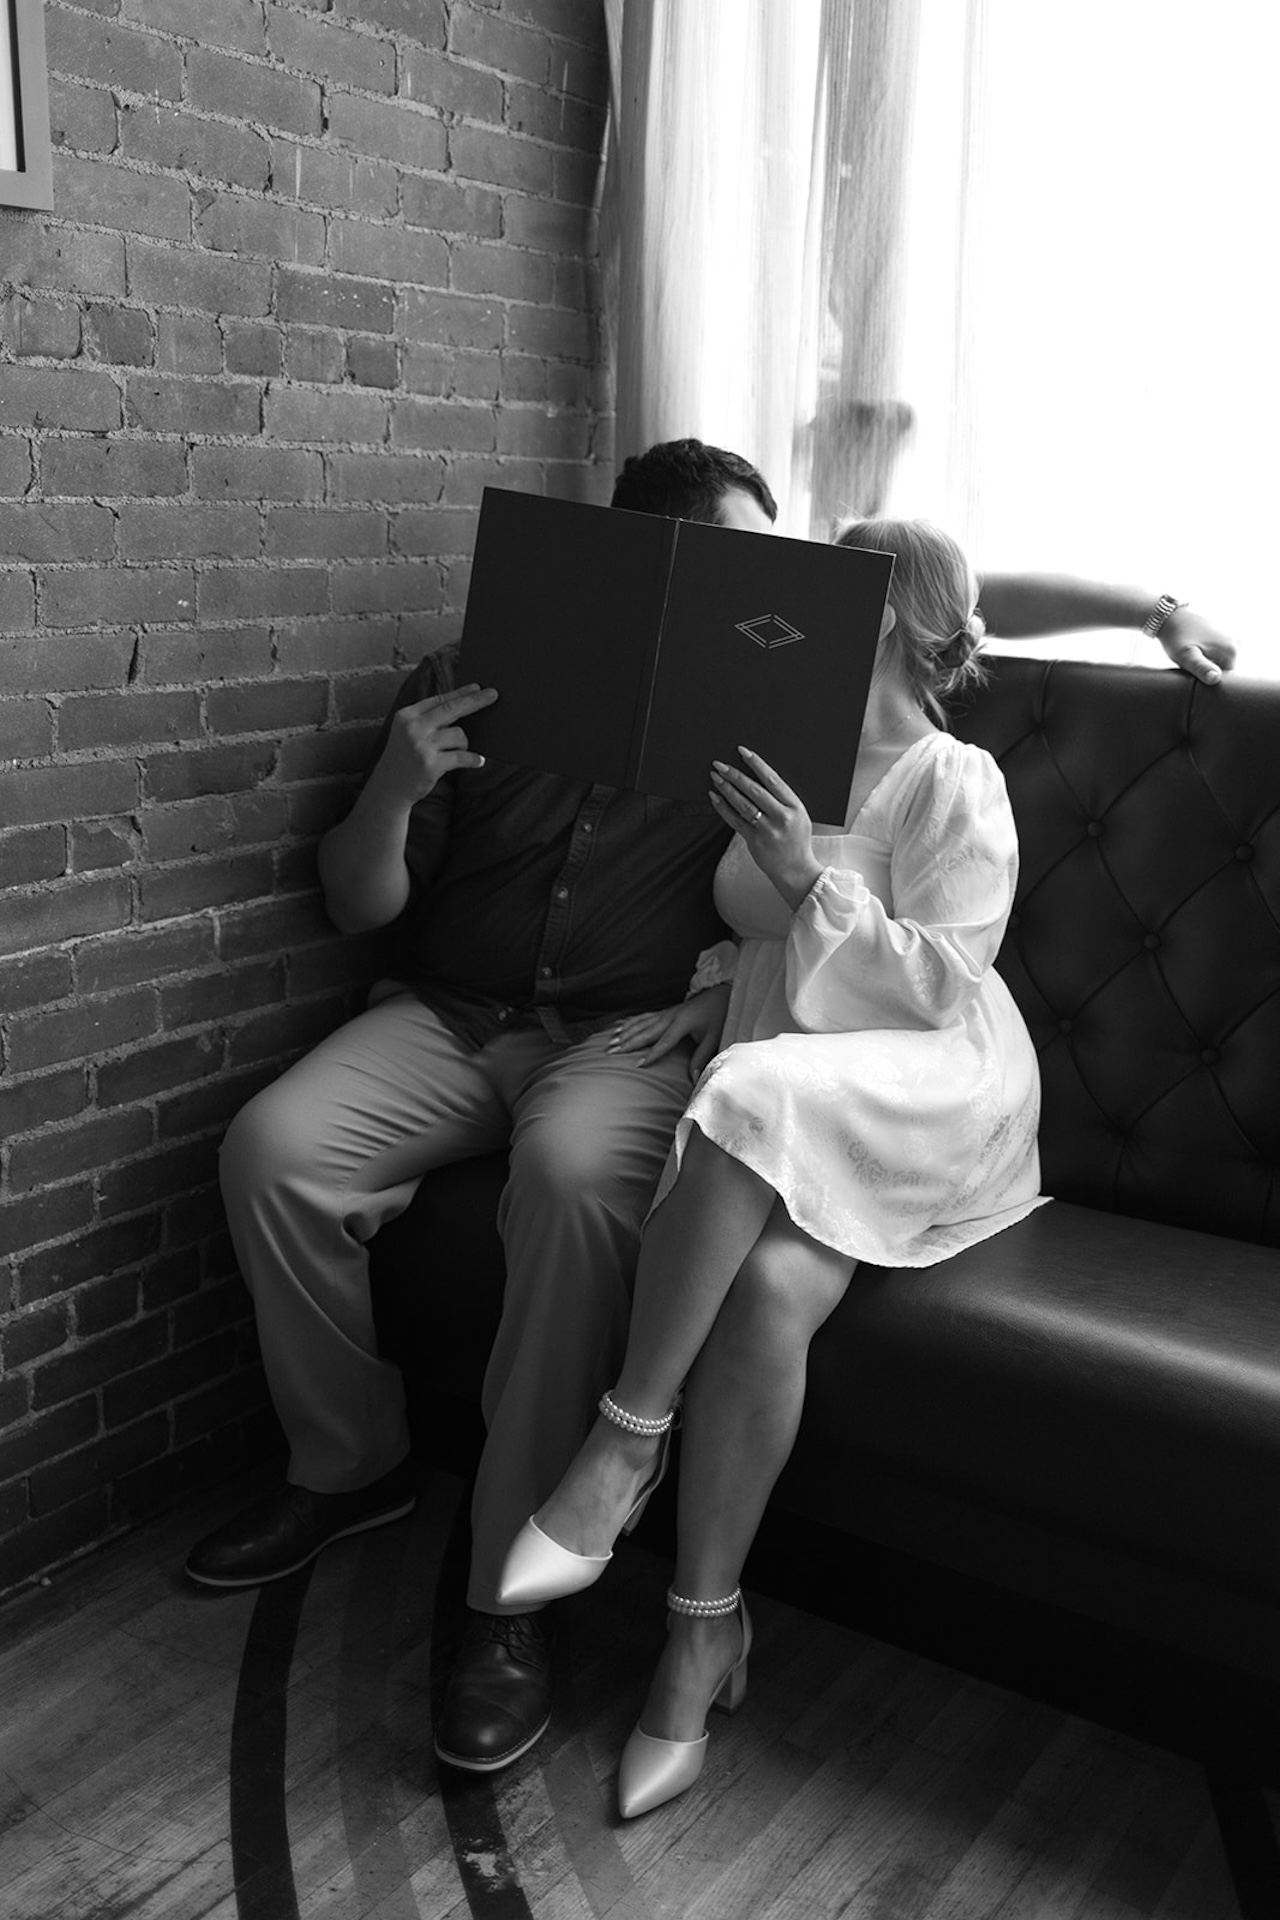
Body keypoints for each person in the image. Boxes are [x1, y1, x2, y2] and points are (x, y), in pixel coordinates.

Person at [184, 437, 1235, 1780]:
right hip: (551, 1025)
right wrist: (407, 791)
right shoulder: (539, 684)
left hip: (755, 1055)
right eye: (754, 570)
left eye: (792, 580)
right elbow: (361, 904)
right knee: (285, 1153)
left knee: (598, 1177)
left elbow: (947, 608)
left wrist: (1153, 610)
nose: (778, 601)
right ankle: (413, 1494)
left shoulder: (825, 726)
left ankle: (536, 1566)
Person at [496, 518, 1047, 1818]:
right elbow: (749, 938)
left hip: (928, 1079)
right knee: (765, 1292)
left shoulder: (951, 778)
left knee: (747, 1089)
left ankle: (623, 1444)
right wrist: (710, 992)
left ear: (887, 617)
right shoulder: (780, 763)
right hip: (789, 1068)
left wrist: (809, 877)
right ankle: (703, 1631)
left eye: (830, 586)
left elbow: (938, 983)